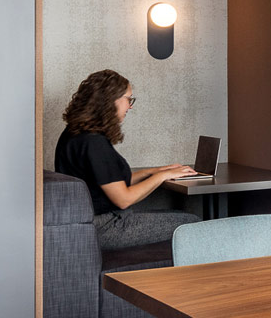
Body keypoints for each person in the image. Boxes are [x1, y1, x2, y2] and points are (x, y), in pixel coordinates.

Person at [53, 69, 200, 250]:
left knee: (181, 216)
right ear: (110, 100)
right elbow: (123, 199)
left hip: (91, 223)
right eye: (128, 99)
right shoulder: (94, 143)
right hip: (106, 227)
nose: (130, 106)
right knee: (192, 223)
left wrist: (153, 171)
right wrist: (161, 177)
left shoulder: (74, 134)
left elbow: (110, 181)